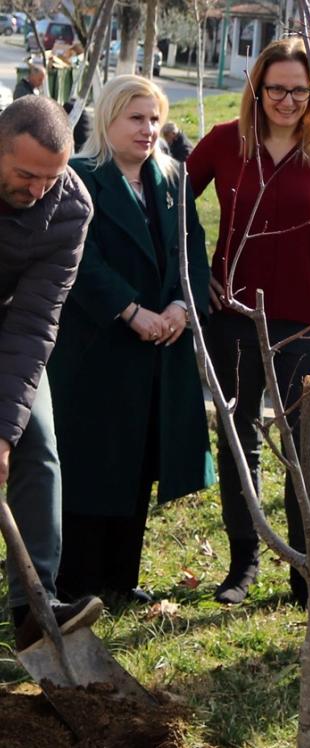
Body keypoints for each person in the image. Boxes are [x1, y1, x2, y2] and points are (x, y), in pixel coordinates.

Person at [187, 37, 310, 607]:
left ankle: (305, 569)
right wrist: (194, 269)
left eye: (299, 91)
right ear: (257, 89)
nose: (287, 100)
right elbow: (169, 203)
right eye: (276, 88)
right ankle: (243, 562)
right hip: (233, 317)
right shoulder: (226, 146)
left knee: (307, 448)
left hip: (308, 324)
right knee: (239, 442)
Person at [48, 75, 214, 604]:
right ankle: (76, 582)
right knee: (92, 462)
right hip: (99, 347)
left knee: (139, 461)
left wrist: (181, 307)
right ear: (109, 120)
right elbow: (79, 260)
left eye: (154, 118)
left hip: (159, 348)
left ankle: (122, 579)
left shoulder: (171, 179)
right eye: (136, 118)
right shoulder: (79, 177)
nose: (148, 129)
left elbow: (192, 251)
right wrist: (130, 309)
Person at [0, 96, 102, 650]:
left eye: (50, 176)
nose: (37, 188)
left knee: (35, 444)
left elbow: (36, 320)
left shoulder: (69, 207)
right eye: (24, 174)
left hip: (11, 323)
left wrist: (2, 432)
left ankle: (35, 607)